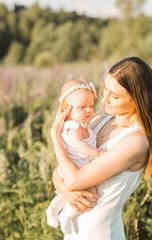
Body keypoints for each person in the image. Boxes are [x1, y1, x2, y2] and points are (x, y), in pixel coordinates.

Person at [50, 57, 152, 240]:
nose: (104, 99)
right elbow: (62, 170)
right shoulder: (97, 121)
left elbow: (74, 179)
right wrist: (61, 186)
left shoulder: (136, 142)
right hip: (74, 232)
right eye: (105, 89)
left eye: (115, 96)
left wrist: (55, 137)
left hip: (100, 234)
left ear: (138, 100)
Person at [46, 80, 105, 234]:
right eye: (82, 107)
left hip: (75, 166)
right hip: (76, 167)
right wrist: (97, 153)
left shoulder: (81, 124)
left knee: (72, 195)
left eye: (91, 106)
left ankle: (53, 208)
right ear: (66, 109)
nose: (89, 110)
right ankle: (66, 216)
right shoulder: (73, 127)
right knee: (90, 196)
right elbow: (79, 146)